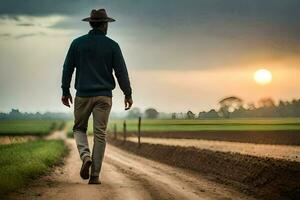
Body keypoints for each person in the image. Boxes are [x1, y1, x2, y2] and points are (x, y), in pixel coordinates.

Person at [60, 9, 133, 184]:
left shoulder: (77, 44)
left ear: (91, 24)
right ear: (105, 24)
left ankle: (85, 156)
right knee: (100, 134)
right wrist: (127, 94)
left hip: (83, 95)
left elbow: (67, 68)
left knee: (79, 129)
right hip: (104, 97)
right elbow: (121, 72)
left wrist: (65, 91)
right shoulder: (113, 45)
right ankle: (95, 176)